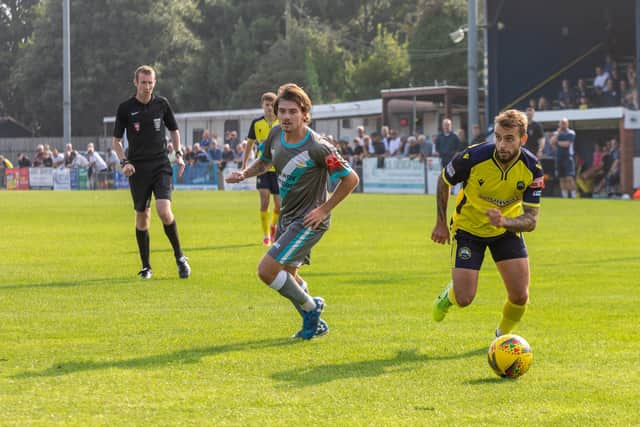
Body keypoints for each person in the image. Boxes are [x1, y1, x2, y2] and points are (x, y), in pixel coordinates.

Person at [226, 83, 359, 340]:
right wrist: (244, 173)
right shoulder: (275, 135)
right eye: (282, 111)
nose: (286, 117)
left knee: (266, 271)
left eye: (292, 112)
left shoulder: (318, 147)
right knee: (289, 276)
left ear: (304, 114)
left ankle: (311, 309)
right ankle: (314, 323)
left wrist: (324, 209)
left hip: (309, 221)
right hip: (288, 218)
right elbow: (264, 162)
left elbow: (350, 179)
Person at [431, 109, 543, 337]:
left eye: (509, 139)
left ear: (523, 139)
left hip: (506, 230)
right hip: (468, 229)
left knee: (520, 296)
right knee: (464, 298)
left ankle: (501, 337)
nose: (502, 144)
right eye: (498, 137)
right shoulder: (472, 157)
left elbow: (531, 220)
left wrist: (504, 221)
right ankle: (448, 296)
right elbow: (444, 181)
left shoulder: (533, 168)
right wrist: (441, 223)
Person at [111, 65, 190, 280]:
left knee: (164, 211)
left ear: (155, 83)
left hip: (160, 165)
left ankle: (180, 258)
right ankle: (146, 267)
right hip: (137, 168)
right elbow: (116, 142)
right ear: (136, 83)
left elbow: (174, 131)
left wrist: (179, 154)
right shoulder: (125, 108)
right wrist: (124, 162)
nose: (147, 86)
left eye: (150, 82)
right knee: (142, 217)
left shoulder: (162, 104)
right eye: (143, 82)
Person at [243, 92, 281, 246]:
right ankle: (266, 235)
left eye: (272, 105)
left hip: (279, 168)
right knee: (264, 201)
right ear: (262, 106)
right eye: (267, 105)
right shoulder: (256, 123)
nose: (270, 108)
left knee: (279, 205)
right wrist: (244, 164)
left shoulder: (281, 122)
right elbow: (250, 144)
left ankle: (273, 227)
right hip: (262, 168)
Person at [550, 118, 577, 198]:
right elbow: (551, 142)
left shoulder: (571, 133)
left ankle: (573, 195)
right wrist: (558, 133)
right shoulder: (556, 133)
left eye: (564, 123)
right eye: (561, 123)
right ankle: (564, 196)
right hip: (558, 158)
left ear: (567, 124)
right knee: (561, 178)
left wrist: (557, 143)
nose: (563, 125)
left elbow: (567, 144)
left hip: (568, 158)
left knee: (569, 177)